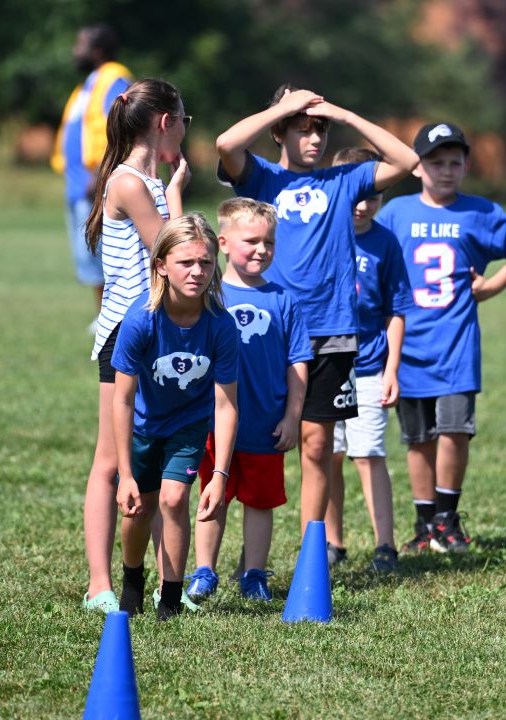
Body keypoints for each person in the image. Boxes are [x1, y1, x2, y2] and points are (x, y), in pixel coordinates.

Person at [215, 85, 418, 539]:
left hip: (333, 331)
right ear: (281, 132)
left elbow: (406, 161)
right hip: (269, 329)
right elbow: (227, 144)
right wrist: (283, 108)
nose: (315, 139)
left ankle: (315, 550)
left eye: (321, 130)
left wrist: (344, 113)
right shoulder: (262, 178)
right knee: (243, 444)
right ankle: (239, 557)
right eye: (304, 130)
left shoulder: (343, 182)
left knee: (317, 443)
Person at [377, 123, 506, 554]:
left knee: (454, 432)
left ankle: (447, 519)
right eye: (436, 162)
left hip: (455, 344)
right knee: (417, 439)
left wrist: (493, 285)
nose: (446, 171)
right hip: (408, 347)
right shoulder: (395, 214)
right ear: (416, 167)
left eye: (455, 162)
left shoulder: (479, 211)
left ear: (467, 164)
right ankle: (424, 520)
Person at [79, 78, 191, 614]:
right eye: (184, 120)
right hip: (126, 335)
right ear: (165, 122)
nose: (187, 130)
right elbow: (167, 249)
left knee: (155, 459)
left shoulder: (146, 182)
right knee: (110, 462)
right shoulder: (129, 184)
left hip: (159, 333)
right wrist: (176, 196)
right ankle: (100, 584)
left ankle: (164, 583)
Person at [111, 213, 238, 620]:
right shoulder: (140, 319)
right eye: (186, 263)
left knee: (173, 498)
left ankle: (170, 598)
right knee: (138, 509)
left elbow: (225, 404)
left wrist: (219, 476)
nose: (197, 272)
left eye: (205, 262)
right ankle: (132, 579)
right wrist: (126, 474)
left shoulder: (221, 325)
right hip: (143, 427)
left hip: (189, 424)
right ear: (161, 266)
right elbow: (122, 400)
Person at [185, 198, 311, 604]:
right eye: (251, 240)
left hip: (264, 424)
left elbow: (298, 362)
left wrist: (293, 416)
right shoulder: (207, 295)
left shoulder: (283, 300)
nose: (261, 249)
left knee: (260, 502)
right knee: (211, 495)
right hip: (213, 424)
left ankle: (254, 574)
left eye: (269, 242)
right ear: (222, 243)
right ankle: (204, 571)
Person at [323, 147, 412, 573]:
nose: (362, 204)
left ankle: (384, 545)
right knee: (329, 453)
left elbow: (397, 309)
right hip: (326, 363)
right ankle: (332, 541)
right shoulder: (323, 233)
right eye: (356, 194)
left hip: (371, 365)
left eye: (372, 195)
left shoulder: (385, 241)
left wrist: (392, 367)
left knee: (369, 453)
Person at [52, 24, 132, 332]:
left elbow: (122, 124)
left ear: (97, 50)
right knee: (89, 252)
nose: (75, 50)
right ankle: (102, 315)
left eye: (80, 44)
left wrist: (101, 173)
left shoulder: (114, 78)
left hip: (94, 183)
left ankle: (110, 316)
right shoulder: (87, 85)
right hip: (77, 186)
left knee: (103, 250)